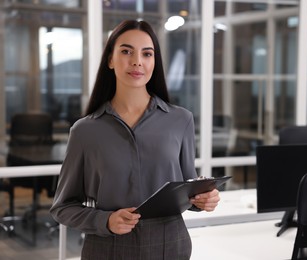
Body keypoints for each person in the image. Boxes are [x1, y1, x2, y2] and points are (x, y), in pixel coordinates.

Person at [50, 19, 220, 259]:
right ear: (110, 59)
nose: (137, 61)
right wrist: (105, 220)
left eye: (147, 53)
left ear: (154, 62)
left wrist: (204, 199)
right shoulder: (84, 131)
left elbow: (187, 190)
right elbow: (63, 207)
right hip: (107, 248)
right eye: (126, 51)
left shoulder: (181, 120)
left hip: (170, 245)